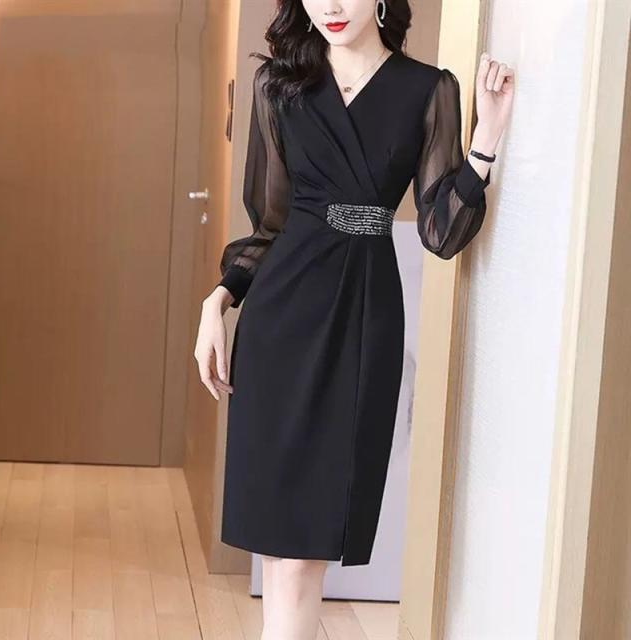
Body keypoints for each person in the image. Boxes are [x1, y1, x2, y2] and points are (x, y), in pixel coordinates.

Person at [194, 0, 515, 638]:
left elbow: (441, 233)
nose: (332, 7)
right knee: (283, 555)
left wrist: (485, 142)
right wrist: (218, 299)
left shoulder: (428, 89)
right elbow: (270, 224)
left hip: (361, 321)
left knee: (305, 548)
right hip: (280, 324)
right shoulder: (278, 85)